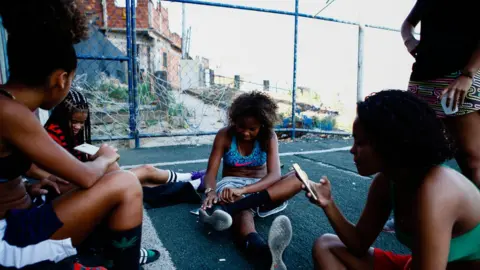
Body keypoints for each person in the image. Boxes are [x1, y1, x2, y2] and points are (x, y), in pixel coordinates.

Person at [0, 1, 154, 269]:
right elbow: (85, 175)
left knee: (106, 175)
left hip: (18, 215)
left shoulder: (10, 104)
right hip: (9, 241)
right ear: (61, 79)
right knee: (125, 182)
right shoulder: (10, 111)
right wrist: (105, 156)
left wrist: (26, 186)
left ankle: (112, 251)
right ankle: (124, 261)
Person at [306, 90, 480, 270]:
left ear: (388, 143)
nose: (352, 150)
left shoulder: (436, 190)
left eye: (360, 143)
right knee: (326, 246)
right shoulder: (387, 181)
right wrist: (328, 203)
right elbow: (358, 243)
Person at [26, 89, 206, 208]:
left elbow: (77, 155)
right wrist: (50, 177)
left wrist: (97, 153)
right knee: (138, 174)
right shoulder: (51, 133)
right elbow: (31, 166)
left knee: (141, 176)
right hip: (68, 186)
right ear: (61, 116)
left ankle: (190, 181)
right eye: (74, 122)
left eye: (82, 123)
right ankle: (190, 183)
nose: (78, 127)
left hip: (80, 179)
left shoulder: (69, 133)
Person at [197, 92, 297, 268]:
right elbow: (211, 173)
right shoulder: (224, 135)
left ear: (263, 125)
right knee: (244, 212)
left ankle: (226, 209)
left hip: (261, 188)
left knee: (298, 178)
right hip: (232, 186)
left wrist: (244, 191)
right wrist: (210, 191)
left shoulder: (269, 136)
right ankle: (264, 254)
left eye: (252, 129)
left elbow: (274, 175)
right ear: (234, 120)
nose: (245, 132)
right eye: (241, 126)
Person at [402, 0, 480, 185]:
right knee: (416, 156)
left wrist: (468, 74)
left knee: (472, 161)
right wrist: (409, 41)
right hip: (421, 81)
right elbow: (407, 24)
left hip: (459, 78)